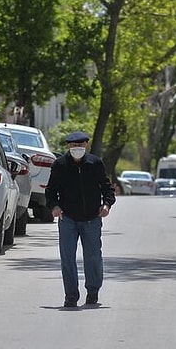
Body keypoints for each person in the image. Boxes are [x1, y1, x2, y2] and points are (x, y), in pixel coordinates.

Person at [45, 131, 116, 308]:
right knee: (67, 257)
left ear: (86, 145)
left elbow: (107, 188)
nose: (77, 148)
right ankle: (71, 295)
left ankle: (93, 291)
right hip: (67, 218)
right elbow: (50, 191)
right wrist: (54, 206)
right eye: (73, 145)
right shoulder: (60, 165)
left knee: (93, 256)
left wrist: (106, 205)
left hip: (92, 218)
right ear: (68, 147)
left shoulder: (95, 163)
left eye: (80, 145)